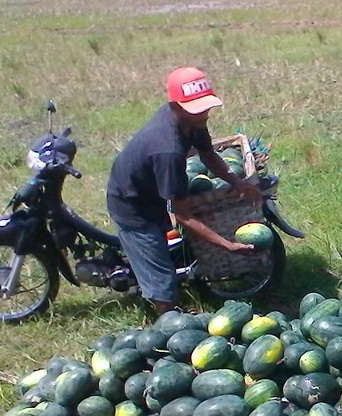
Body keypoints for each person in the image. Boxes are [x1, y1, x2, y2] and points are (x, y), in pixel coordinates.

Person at [106, 66, 260, 315]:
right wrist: (225, 245)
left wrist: (237, 182)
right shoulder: (168, 148)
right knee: (163, 281)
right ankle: (166, 321)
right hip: (132, 205)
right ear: (176, 106)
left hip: (151, 191)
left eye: (205, 106)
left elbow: (208, 155)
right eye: (197, 109)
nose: (205, 113)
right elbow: (183, 215)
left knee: (166, 244)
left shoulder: (192, 121)